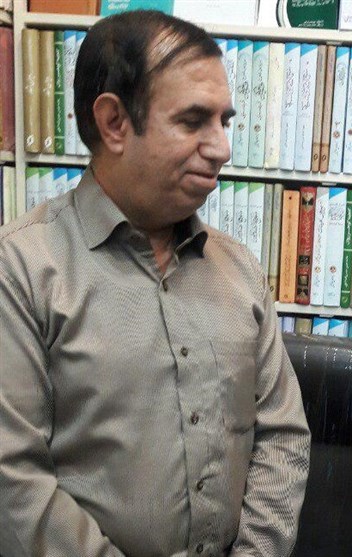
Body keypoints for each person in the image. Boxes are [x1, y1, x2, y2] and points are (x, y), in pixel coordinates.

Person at [0, 11, 310, 557]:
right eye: (193, 121)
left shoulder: (239, 269)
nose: (222, 148)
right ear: (114, 123)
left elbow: (283, 435)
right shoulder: (22, 268)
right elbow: (13, 479)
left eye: (225, 121)